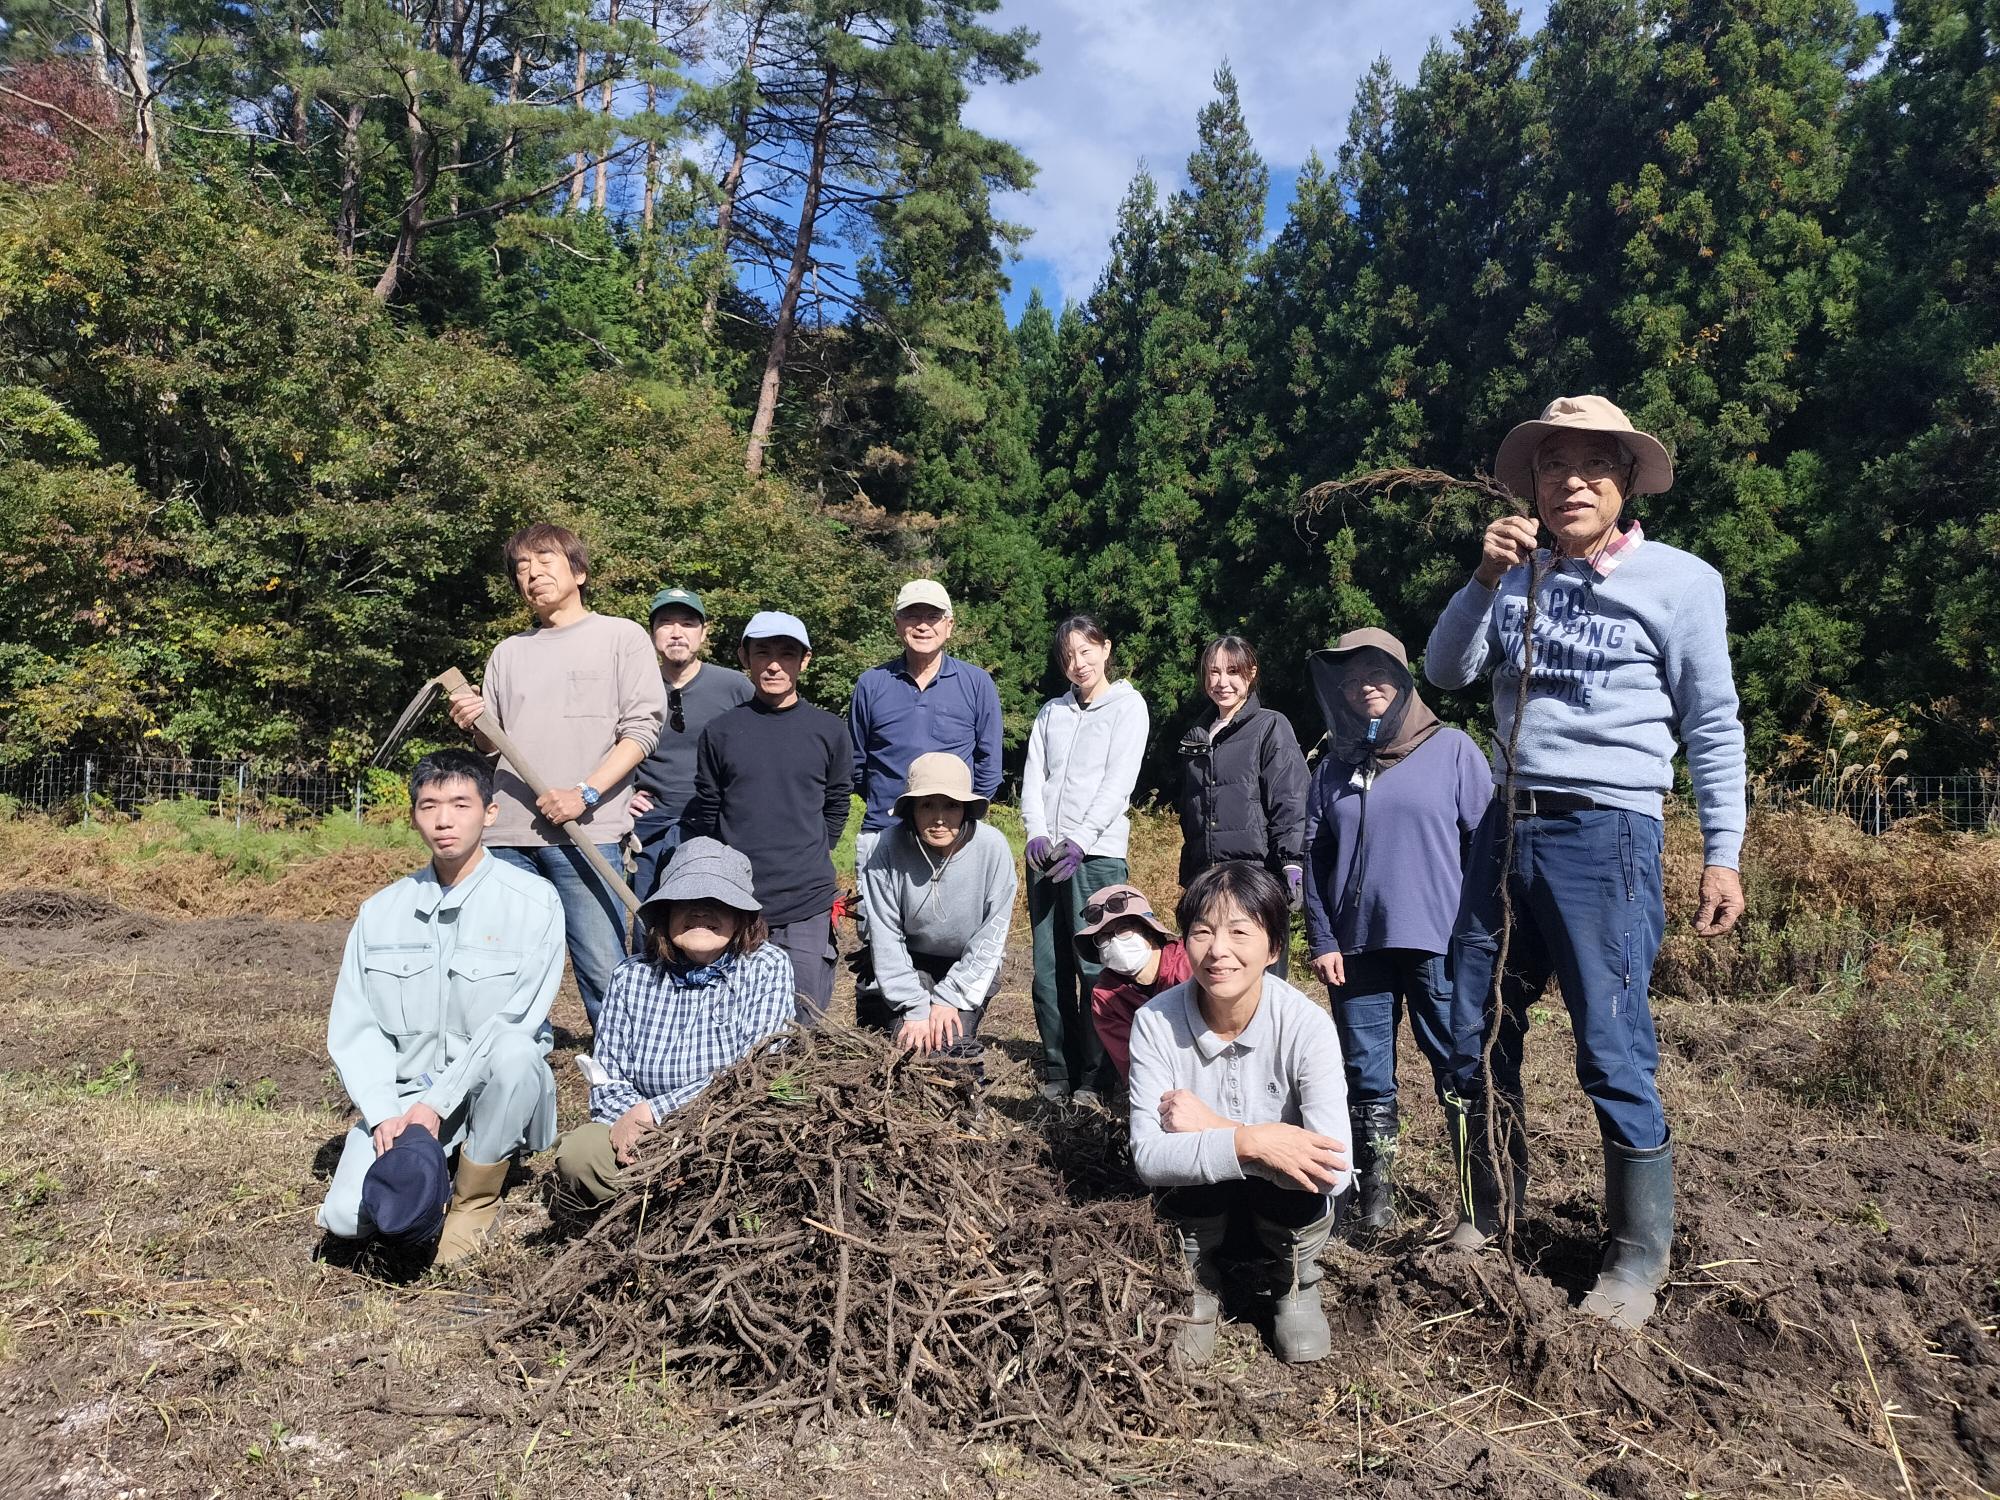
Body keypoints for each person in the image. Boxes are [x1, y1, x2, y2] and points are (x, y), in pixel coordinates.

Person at [1425, 394, 1747, 1330]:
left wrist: (1721, 853)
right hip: (1505, 824)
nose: (1571, 480)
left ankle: (1638, 1255)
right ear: (1530, 484)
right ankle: (1492, 1212)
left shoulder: (1682, 583)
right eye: (1552, 464)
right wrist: (1483, 581)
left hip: (1608, 833)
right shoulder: (1515, 577)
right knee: (1471, 1026)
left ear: (1627, 482)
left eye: (1593, 465)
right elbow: (1445, 672)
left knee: (1611, 1045)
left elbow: (1714, 724)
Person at [320, 750, 565, 1265]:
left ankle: (477, 1194)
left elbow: (516, 1019)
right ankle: (426, 1173)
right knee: (346, 1219)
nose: (444, 819)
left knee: (518, 1051)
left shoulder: (534, 901)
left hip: (489, 1092)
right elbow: (355, 1026)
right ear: (413, 816)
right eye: (429, 805)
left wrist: (438, 1104)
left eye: (460, 803)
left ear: (489, 813)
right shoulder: (381, 912)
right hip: (407, 1100)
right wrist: (386, 1112)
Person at [1301, 628, 1492, 1234]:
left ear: (1405, 678)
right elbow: (1312, 858)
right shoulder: (1334, 765)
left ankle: (1478, 1204)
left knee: (1458, 1068)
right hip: (1356, 951)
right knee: (1365, 1074)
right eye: (1353, 678)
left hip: (1439, 946)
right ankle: (1373, 1203)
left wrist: (1477, 942)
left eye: (1378, 672)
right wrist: (1323, 939)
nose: (1366, 686)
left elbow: (1488, 852)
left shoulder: (1454, 750)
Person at [1127, 862, 1352, 1365]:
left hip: (1283, 1212)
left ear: (1273, 949)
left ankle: (1294, 1283)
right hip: (1200, 1212)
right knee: (1200, 1166)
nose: (1218, 951)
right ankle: (1197, 1281)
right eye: (1202, 932)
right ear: (1183, 943)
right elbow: (1148, 1156)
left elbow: (1334, 1172)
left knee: (1293, 1166)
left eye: (1239, 932)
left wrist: (1219, 1130)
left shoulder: (1307, 1027)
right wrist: (1255, 1143)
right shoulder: (1155, 1023)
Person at [447, 522, 663, 1030]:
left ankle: (623, 1065)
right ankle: (511, 1059)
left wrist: (584, 793)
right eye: (521, 567)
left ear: (579, 571)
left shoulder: (622, 638)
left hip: (588, 832)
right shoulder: (508, 652)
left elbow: (642, 731)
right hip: (506, 838)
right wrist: (475, 721)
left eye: (544, 560)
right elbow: (490, 745)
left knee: (602, 963)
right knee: (507, 964)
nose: (532, 573)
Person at [552, 838, 795, 1206]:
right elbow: (606, 1075)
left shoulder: (766, 966)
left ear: (742, 917)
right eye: (686, 902)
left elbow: (756, 1071)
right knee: (580, 1153)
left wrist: (656, 1112)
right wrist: (637, 1127)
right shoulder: (631, 976)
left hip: (729, 1132)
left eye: (716, 903)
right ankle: (653, 1206)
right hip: (642, 1135)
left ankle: (688, 1207)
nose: (700, 912)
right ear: (665, 913)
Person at [682, 611, 853, 1023]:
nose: (774, 664)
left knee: (803, 1016)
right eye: (763, 652)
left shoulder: (829, 731)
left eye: (786, 653)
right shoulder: (721, 732)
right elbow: (709, 807)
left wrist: (814, 850)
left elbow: (837, 800)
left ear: (804, 660)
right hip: (737, 899)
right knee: (734, 1012)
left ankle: (799, 1090)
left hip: (806, 897)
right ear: (745, 656)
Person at [1021, 614, 1149, 1108]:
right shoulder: (1051, 712)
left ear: (1106, 648)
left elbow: (1119, 783)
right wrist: (1036, 830)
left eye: (1087, 651)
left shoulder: (1128, 706)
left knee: (1098, 962)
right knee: (1048, 967)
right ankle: (1058, 1067)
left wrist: (1080, 837)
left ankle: (1095, 1078)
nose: (1078, 663)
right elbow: (1034, 777)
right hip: (1046, 856)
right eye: (1069, 655)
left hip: (1094, 855)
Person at [856, 753, 1015, 1076]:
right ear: (911, 810)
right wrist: (914, 1007)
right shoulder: (886, 848)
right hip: (908, 958)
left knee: (947, 1044)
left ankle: (966, 1111)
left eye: (951, 806)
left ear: (966, 810)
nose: (939, 819)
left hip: (969, 964)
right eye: (927, 806)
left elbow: (991, 935)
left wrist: (949, 997)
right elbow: (884, 934)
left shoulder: (992, 848)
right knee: (907, 1041)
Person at [848, 579, 1004, 878]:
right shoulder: (871, 683)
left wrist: (960, 818)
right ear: (897, 623)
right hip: (883, 832)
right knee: (877, 924)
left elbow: (989, 765)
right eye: (911, 615)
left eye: (932, 616)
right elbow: (857, 763)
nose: (922, 625)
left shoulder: (976, 683)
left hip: (952, 839)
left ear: (949, 625)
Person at [1175, 635, 1310, 969]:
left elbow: (1291, 800)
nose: (1222, 682)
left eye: (1233, 671)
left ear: (1251, 673)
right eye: (1214, 672)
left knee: (1260, 984)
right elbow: (1191, 813)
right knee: (1213, 982)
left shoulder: (1269, 727)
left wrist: (1293, 861)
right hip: (1207, 880)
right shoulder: (1196, 735)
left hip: (1256, 882)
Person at [626, 586, 753, 904]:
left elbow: (764, 749)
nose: (676, 633)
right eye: (666, 623)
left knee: (716, 920)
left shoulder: (735, 687)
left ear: (704, 633)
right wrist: (622, 796)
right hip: (651, 829)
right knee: (651, 925)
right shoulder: (632, 686)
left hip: (719, 827)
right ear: (652, 633)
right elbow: (603, 747)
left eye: (687, 623)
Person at [1074, 884, 1190, 1080]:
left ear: (1148, 930)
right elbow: (1133, 1064)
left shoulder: (1190, 965)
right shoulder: (1106, 996)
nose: (1115, 942)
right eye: (1104, 937)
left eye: (1124, 929)